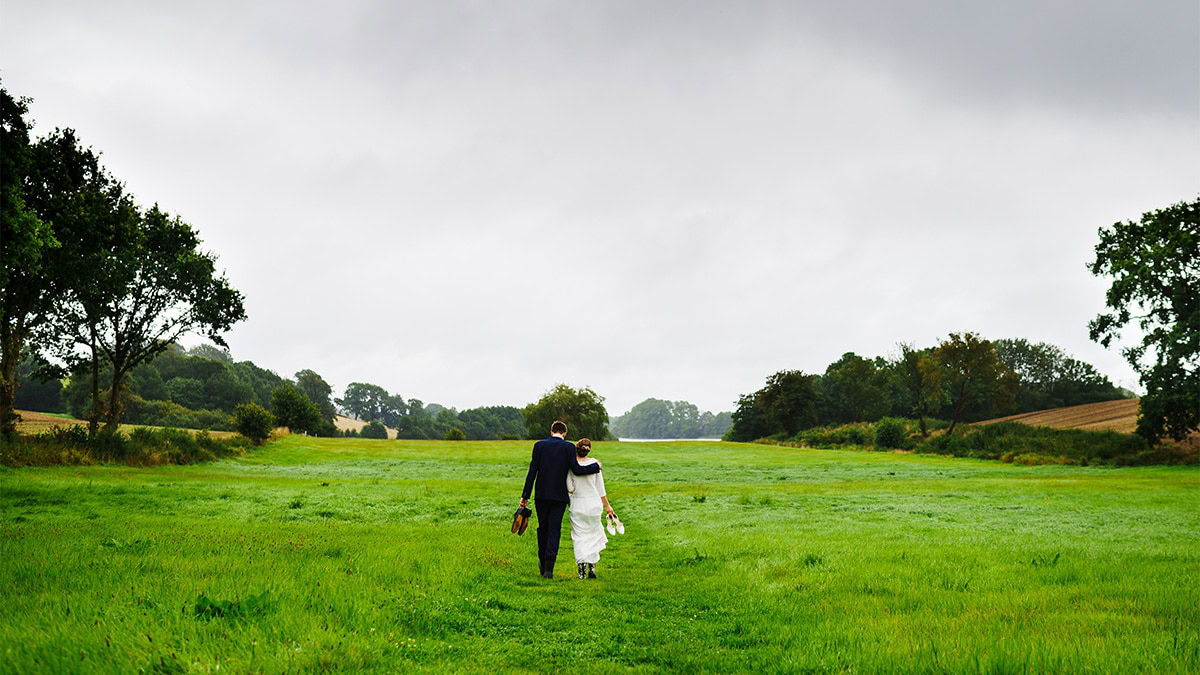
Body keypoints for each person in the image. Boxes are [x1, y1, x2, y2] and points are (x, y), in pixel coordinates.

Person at [519, 421, 602, 579]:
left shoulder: (539, 446)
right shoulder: (568, 447)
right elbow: (577, 470)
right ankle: (550, 568)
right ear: (564, 433)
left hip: (541, 495)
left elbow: (532, 472)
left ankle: (542, 563)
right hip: (559, 497)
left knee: (542, 528)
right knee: (554, 530)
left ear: (551, 431)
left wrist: (525, 496)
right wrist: (595, 467)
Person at [566, 438, 615, 579]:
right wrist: (608, 506)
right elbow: (601, 489)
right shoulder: (595, 464)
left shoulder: (571, 466)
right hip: (594, 503)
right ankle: (592, 567)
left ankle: (581, 567)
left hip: (578, 503)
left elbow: (569, 487)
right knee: (593, 535)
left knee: (579, 536)